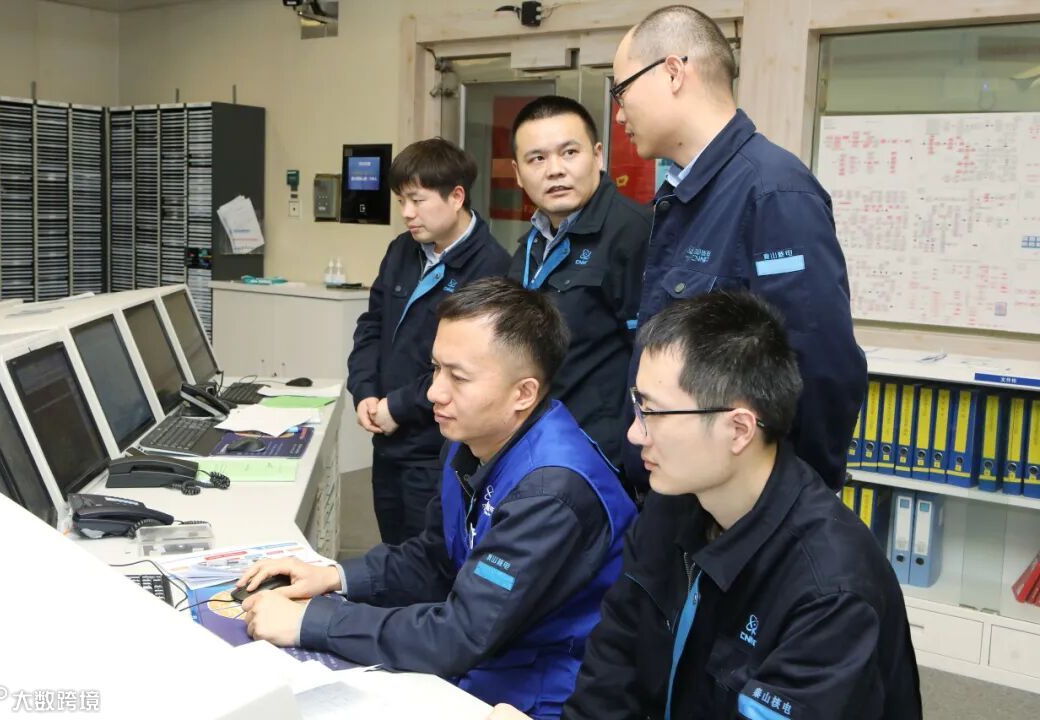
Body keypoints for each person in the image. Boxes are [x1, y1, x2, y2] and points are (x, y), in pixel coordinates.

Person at [492, 291, 921, 720]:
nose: (635, 435)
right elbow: (610, 679)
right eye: (637, 406)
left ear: (738, 430)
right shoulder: (669, 507)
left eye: (652, 413)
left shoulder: (828, 591)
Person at [240, 277, 638, 719]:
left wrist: (311, 622)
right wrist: (334, 577)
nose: (434, 392)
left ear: (523, 393)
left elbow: (460, 635)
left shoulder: (552, 492)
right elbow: (434, 558)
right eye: (435, 369)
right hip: (490, 659)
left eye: (458, 377)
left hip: (536, 694)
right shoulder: (470, 441)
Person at [612, 5, 866, 491]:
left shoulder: (773, 192)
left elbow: (821, 366)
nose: (620, 113)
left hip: (741, 506)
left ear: (672, 72)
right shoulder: (684, 195)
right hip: (681, 492)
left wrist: (793, 502)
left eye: (622, 91)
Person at [347, 138, 510, 544]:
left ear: (456, 197)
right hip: (387, 439)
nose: (407, 213)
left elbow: (467, 365)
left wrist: (399, 406)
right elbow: (372, 325)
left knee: (430, 557)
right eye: (401, 201)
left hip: (437, 449)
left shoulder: (490, 267)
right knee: (392, 551)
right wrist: (365, 392)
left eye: (417, 201)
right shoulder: (402, 250)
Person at [507, 95, 649, 470]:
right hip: (538, 444)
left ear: (598, 156)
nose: (555, 170)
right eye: (537, 159)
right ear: (518, 173)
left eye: (569, 152)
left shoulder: (634, 232)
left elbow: (652, 356)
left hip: (603, 455)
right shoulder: (531, 245)